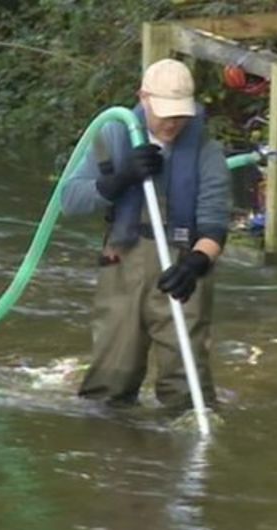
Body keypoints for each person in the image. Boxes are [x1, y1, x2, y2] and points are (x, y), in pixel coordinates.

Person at [61, 59, 231, 413]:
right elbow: (70, 201)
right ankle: (113, 454)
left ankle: (186, 448)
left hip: (182, 267)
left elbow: (214, 226)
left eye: (181, 115)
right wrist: (119, 179)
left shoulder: (206, 152)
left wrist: (197, 264)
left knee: (186, 386)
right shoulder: (111, 137)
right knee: (111, 379)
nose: (172, 123)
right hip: (124, 260)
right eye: (165, 114)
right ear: (143, 98)